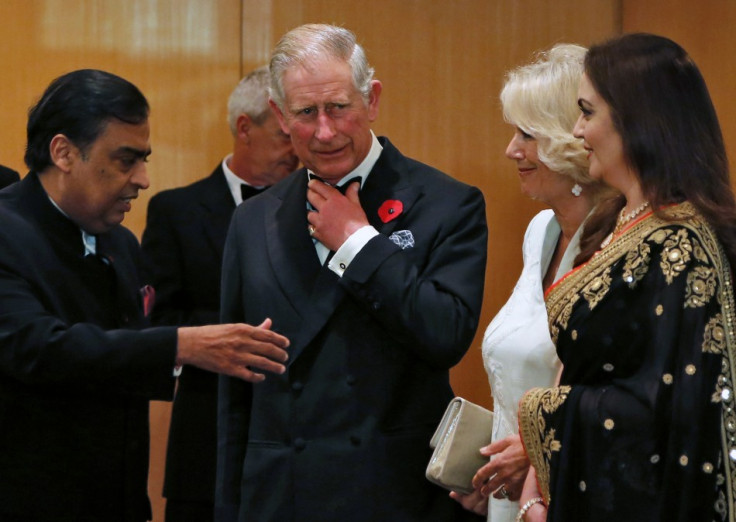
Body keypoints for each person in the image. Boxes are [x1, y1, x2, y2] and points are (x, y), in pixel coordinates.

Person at [216, 23, 488, 522]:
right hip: (282, 498)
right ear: (279, 115)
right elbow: (237, 391)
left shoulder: (448, 204)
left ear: (372, 99)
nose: (325, 131)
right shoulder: (252, 220)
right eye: (305, 113)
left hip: (391, 495)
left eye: (339, 107)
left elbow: (445, 333)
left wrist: (359, 243)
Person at [0, 69, 290, 522]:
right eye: (125, 160)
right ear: (63, 153)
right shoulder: (7, 230)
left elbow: (126, 354)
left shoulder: (120, 242)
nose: (144, 179)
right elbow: (35, 345)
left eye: (145, 159)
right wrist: (183, 344)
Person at [516, 33, 736, 521]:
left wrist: (546, 412)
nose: (576, 130)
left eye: (588, 112)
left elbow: (676, 412)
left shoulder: (682, 246)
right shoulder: (617, 220)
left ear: (637, 121)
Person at [450, 44, 606, 521]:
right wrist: (494, 464)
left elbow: (624, 402)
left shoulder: (624, 245)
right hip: (514, 501)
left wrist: (538, 452)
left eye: (527, 134)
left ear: (572, 137)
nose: (511, 150)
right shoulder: (541, 230)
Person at [141, 65, 297, 522]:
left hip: (302, 437)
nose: (298, 148)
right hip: (206, 434)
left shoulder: (327, 207)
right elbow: (157, 320)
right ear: (245, 128)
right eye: (286, 134)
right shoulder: (176, 211)